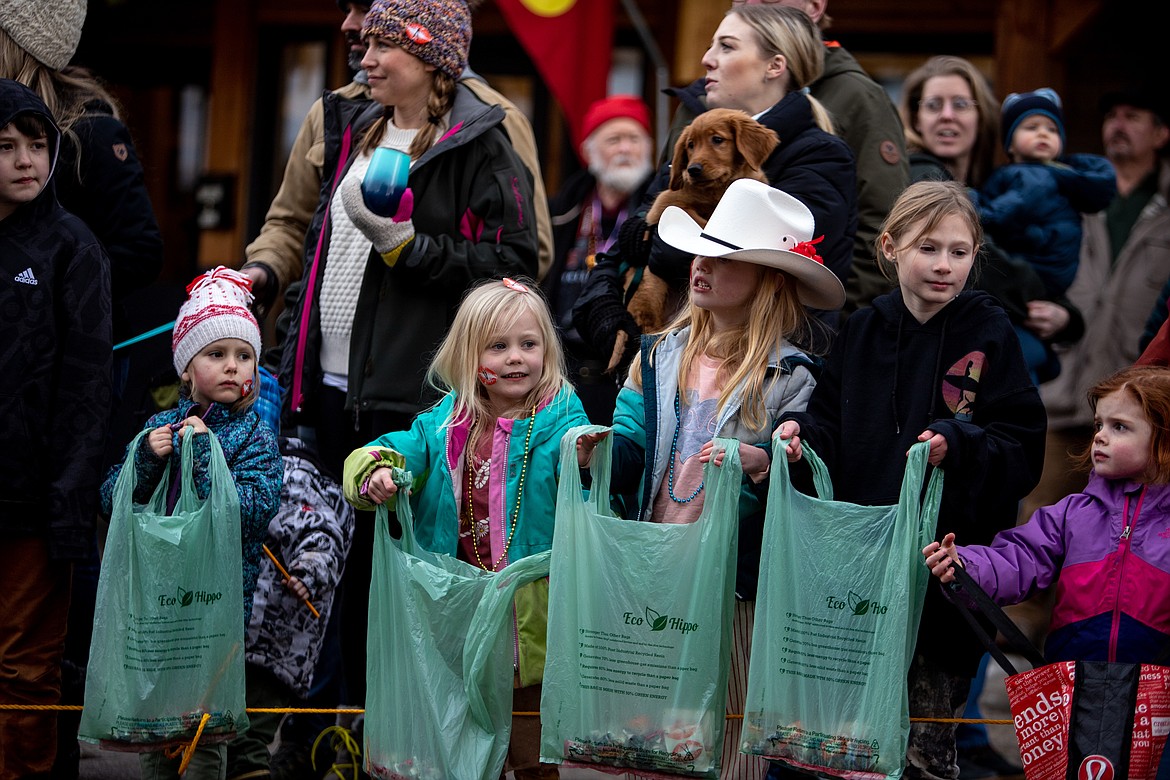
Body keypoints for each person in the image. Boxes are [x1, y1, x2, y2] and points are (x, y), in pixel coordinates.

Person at [275, 0, 539, 731]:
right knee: (326, 577)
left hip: (409, 400)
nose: (364, 53)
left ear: (432, 59)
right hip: (330, 391)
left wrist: (409, 246)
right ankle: (326, 733)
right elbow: (321, 252)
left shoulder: (481, 146)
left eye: (385, 45)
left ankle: (390, 733)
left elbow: (517, 266)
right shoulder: (356, 130)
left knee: (392, 583)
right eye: (369, 42)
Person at [577, 178, 847, 780]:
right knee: (646, 740)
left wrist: (769, 465)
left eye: (723, 258)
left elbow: (794, 484)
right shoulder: (656, 354)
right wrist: (597, 453)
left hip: (735, 586)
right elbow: (631, 447)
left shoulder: (794, 376)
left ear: (768, 279)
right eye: (701, 250)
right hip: (653, 569)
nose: (699, 265)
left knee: (729, 746)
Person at [775, 180, 1046, 780]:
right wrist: (801, 442)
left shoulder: (989, 330)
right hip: (862, 571)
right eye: (928, 248)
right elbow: (830, 424)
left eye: (959, 251)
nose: (944, 265)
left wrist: (963, 441)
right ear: (892, 247)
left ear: (976, 254)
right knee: (849, 743)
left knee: (927, 746)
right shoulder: (865, 327)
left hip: (941, 574)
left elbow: (1021, 445)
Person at [342, 277, 588, 779]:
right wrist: (377, 472)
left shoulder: (564, 420)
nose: (516, 358)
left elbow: (590, 498)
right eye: (498, 346)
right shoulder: (444, 424)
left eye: (529, 344)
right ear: (469, 355)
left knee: (530, 749)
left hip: (531, 616)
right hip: (459, 614)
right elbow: (389, 450)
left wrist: (585, 461)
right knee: (461, 741)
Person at [574, 3, 857, 376]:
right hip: (666, 362)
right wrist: (607, 316)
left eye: (726, 46)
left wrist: (657, 240)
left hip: (758, 371)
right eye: (711, 46)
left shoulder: (819, 157)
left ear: (775, 65)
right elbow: (622, 250)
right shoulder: (695, 144)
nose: (707, 59)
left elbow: (750, 262)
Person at [241, 0, 554, 317]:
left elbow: (522, 260)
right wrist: (264, 268)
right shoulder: (337, 115)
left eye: (365, 10)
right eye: (348, 11)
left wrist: (409, 252)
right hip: (320, 355)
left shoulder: (487, 125)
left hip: (421, 355)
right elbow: (295, 225)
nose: (350, 25)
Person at [96, 267, 281, 779]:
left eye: (244, 356)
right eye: (215, 354)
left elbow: (254, 507)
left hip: (215, 615)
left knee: (202, 733)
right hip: (158, 610)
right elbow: (112, 500)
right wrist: (147, 460)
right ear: (185, 368)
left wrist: (203, 457)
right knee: (159, 728)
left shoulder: (254, 439)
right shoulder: (159, 428)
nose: (231, 367)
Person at [0, 77, 112, 780]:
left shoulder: (72, 247)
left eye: (37, 144)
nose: (25, 160)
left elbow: (88, 389)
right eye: (6, 146)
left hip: (34, 503)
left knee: (23, 665)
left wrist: (69, 495)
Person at [666, 0, 909, 315]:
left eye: (726, 47)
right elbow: (643, 216)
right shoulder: (699, 104)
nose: (707, 59)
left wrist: (839, 329)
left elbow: (876, 229)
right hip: (684, 335)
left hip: (774, 336)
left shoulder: (832, 137)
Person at [925, 364, 1170, 666]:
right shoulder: (1073, 513)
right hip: (1075, 684)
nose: (1100, 437)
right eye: (1098, 425)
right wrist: (966, 567)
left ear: (1164, 439)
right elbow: (1019, 558)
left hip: (1157, 693)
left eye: (1119, 426)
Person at [1029, 87, 1170, 517]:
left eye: (1133, 115)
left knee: (1121, 535)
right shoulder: (1071, 198)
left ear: (1162, 133)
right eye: (1112, 115)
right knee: (1038, 522)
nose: (1118, 125)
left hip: (1139, 406)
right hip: (1063, 395)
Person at [225, 435, 355, 780]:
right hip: (246, 645)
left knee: (246, 742)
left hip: (274, 653)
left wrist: (307, 570)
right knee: (227, 742)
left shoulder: (292, 478)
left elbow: (321, 537)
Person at [975, 88, 1115, 383]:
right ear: (1010, 145)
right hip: (1054, 279)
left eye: (1051, 129)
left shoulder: (1032, 176)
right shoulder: (1058, 177)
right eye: (1031, 127)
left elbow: (1001, 214)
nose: (1043, 133)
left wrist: (972, 206)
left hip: (1036, 269)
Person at [544, 94, 655, 424]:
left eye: (634, 139)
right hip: (561, 372)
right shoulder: (561, 210)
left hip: (630, 375)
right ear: (588, 151)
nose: (625, 149)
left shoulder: (661, 211)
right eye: (613, 139)